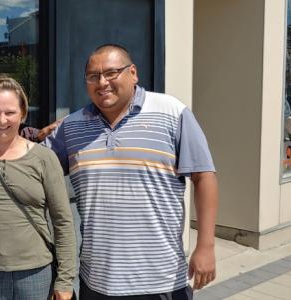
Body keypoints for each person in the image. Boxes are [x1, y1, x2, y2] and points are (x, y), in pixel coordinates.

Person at [44, 44, 218, 299]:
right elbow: (29, 163)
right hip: (98, 281)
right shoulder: (71, 127)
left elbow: (204, 177)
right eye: (93, 76)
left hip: (162, 279)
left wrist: (206, 245)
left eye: (111, 72)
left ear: (133, 73)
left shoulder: (171, 111)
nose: (102, 82)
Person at [0, 76, 76, 300]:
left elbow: (63, 221)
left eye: (10, 112)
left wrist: (65, 280)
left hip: (36, 272)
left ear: (23, 114)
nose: (2, 120)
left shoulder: (44, 158)